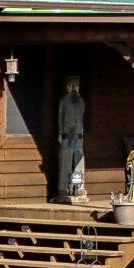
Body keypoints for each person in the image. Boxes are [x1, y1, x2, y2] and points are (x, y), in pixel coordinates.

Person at [56, 73, 88, 201]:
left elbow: (61, 117)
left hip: (71, 137)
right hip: (73, 137)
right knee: (74, 164)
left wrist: (60, 132)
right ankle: (73, 188)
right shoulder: (77, 101)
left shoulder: (73, 101)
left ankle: (68, 189)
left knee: (70, 164)